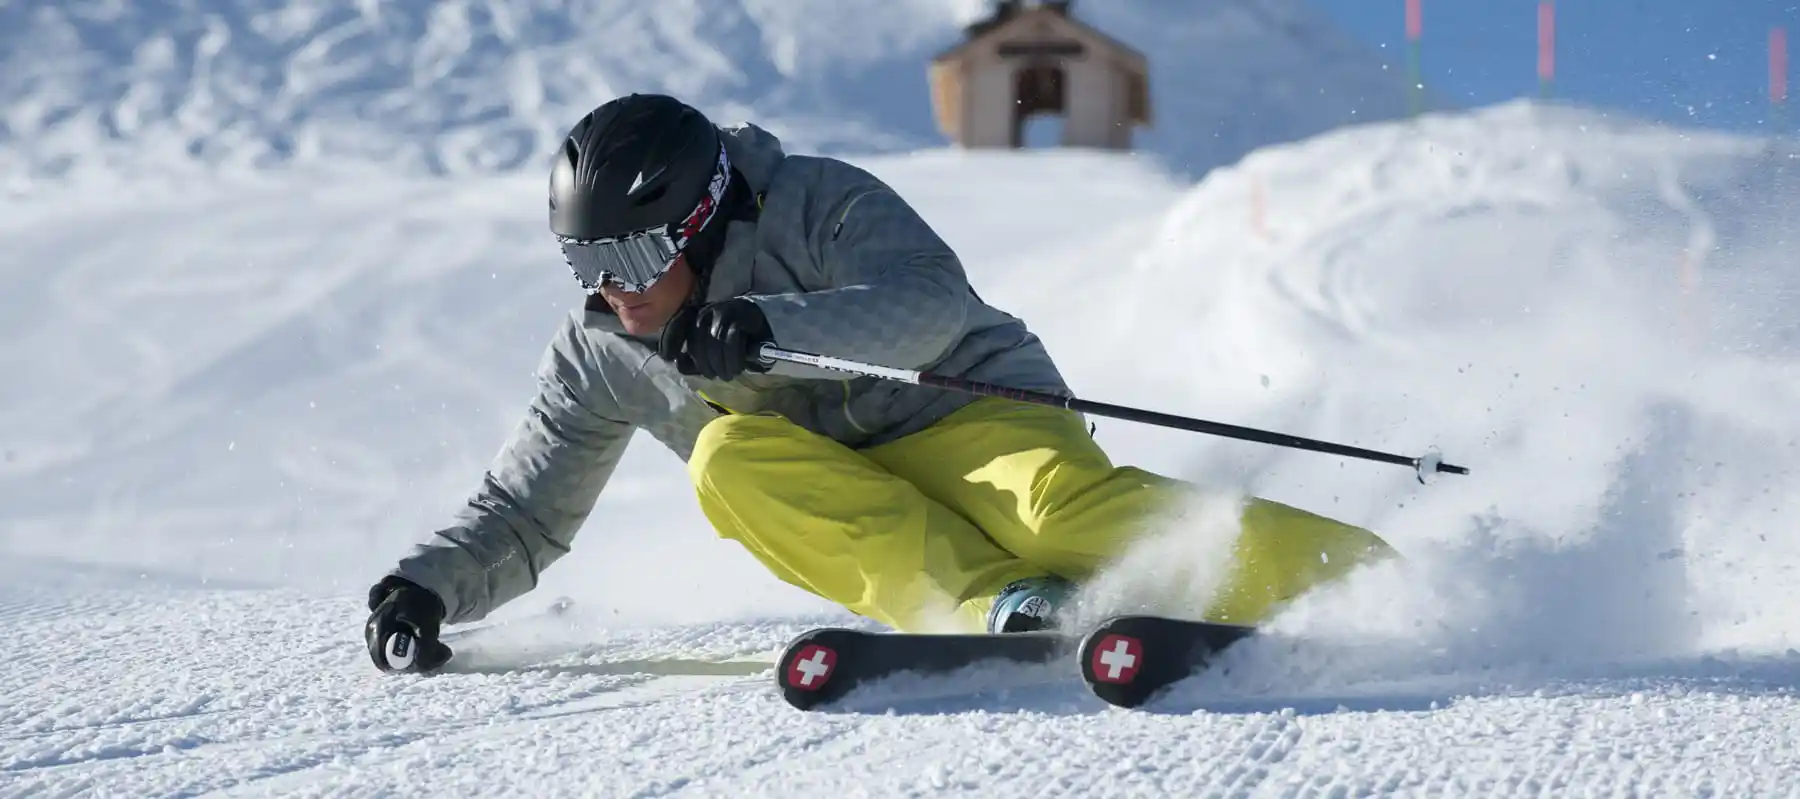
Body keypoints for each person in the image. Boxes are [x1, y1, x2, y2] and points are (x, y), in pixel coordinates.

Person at [363, 93, 1395, 674]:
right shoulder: (605, 347)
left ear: (696, 219)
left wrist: (769, 326)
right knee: (723, 456)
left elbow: (930, 298)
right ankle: (997, 607)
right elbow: (525, 506)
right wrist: (431, 584)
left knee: (1059, 514)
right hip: (830, 481)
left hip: (965, 412)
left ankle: (1370, 582)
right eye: (584, 265)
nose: (612, 292)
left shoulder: (815, 203)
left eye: (629, 260)